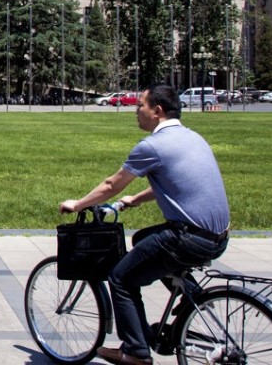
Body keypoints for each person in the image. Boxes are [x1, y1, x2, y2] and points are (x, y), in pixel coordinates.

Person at [59, 83, 229, 365]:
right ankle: (190, 296)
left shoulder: (153, 145)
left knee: (120, 277)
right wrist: (136, 199)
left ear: (157, 111)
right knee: (142, 240)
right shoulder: (193, 138)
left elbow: (112, 184)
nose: (136, 111)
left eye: (140, 105)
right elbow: (176, 183)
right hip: (217, 237)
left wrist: (78, 204)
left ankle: (135, 351)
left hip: (187, 238)